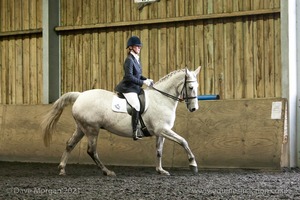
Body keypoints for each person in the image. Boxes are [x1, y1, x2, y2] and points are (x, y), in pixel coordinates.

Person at [115, 36, 153, 140]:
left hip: (135, 87)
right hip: (128, 87)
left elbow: (138, 75)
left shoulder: (136, 59)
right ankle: (135, 131)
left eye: (140, 46)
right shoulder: (129, 60)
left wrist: (146, 79)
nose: (139, 48)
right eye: (137, 46)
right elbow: (129, 77)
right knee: (136, 105)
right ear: (131, 47)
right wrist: (142, 82)